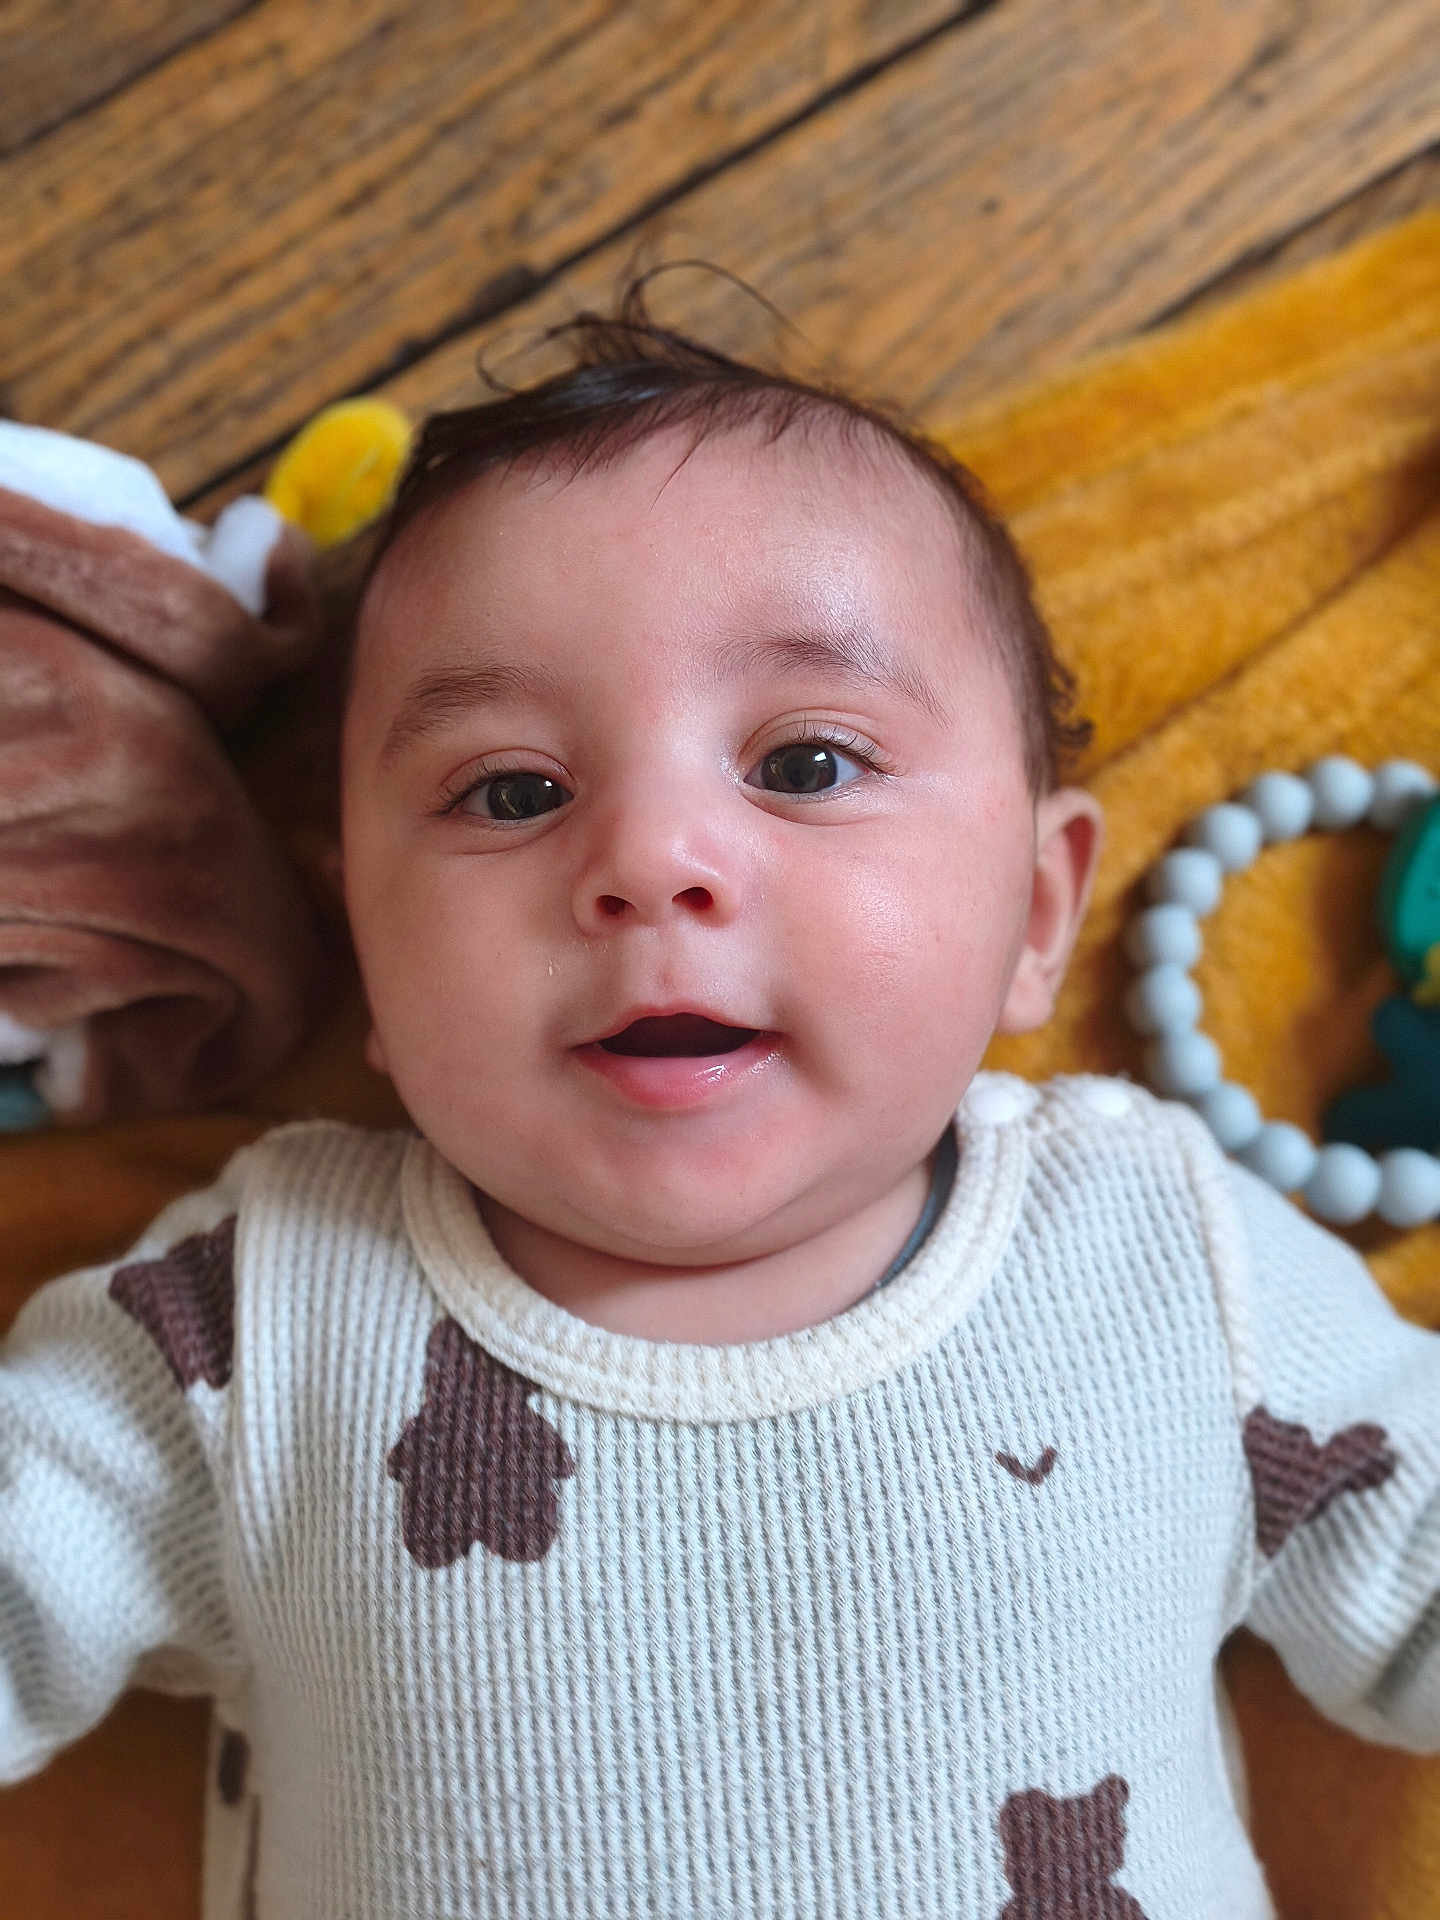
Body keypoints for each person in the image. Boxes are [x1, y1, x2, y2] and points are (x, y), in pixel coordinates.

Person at [3, 299, 1439, 1920]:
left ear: (1036, 914)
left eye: (808, 764)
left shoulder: (1163, 1257)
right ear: (369, 957)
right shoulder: (250, 1324)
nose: (647, 859)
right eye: (513, 791)